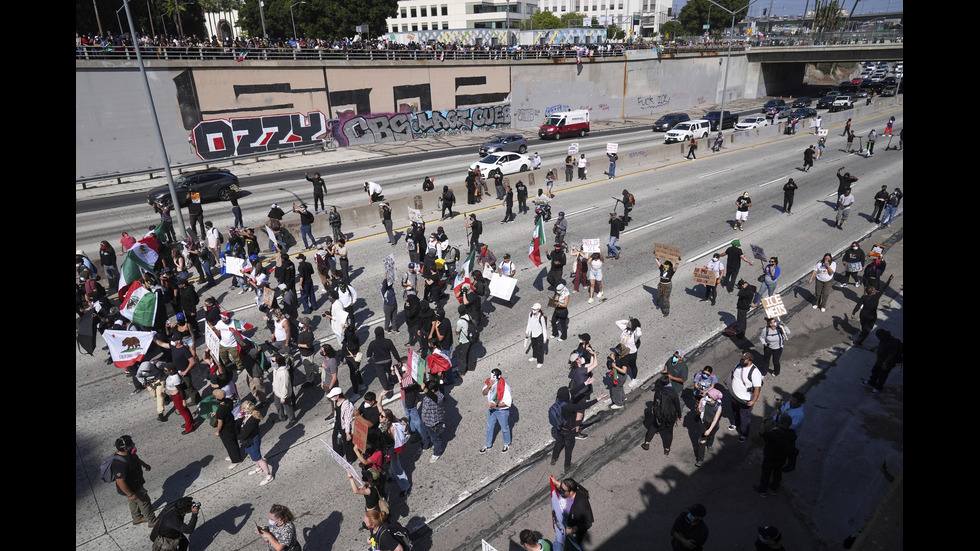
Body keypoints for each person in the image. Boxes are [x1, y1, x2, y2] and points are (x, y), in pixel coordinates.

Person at [550, 386, 605, 472]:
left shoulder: (558, 401)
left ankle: (554, 458)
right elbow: (582, 406)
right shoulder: (568, 407)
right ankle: (567, 466)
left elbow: (572, 392)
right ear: (566, 396)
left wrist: (585, 384)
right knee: (568, 449)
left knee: (559, 443)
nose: (570, 393)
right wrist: (598, 399)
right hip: (569, 431)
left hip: (560, 429)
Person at [110, 435, 158, 526]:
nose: (133, 445)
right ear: (125, 448)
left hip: (136, 483)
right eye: (131, 445)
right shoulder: (119, 464)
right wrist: (130, 494)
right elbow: (120, 481)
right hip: (132, 487)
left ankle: (137, 518)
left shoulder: (128, 454)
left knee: (133, 501)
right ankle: (152, 521)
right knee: (144, 501)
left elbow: (135, 459)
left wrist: (144, 464)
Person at [755, 415, 798, 497]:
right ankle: (774, 488)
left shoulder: (774, 433)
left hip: (770, 457)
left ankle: (763, 490)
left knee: (766, 474)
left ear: (780, 422)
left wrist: (763, 422)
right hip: (781, 459)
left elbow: (763, 434)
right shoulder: (792, 435)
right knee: (777, 473)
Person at [642, 374, 682, 454]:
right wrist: (679, 415)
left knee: (654, 426)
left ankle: (647, 443)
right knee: (669, 431)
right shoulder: (673, 393)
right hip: (670, 415)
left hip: (659, 414)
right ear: (669, 382)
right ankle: (667, 448)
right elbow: (677, 405)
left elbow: (655, 403)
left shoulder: (658, 392)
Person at [728, 352, 763, 442]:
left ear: (750, 361)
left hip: (745, 399)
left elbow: (757, 388)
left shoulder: (755, 372)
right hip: (735, 395)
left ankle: (744, 434)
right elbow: (732, 373)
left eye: (744, 359)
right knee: (735, 410)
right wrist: (728, 382)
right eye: (741, 358)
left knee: (744, 417)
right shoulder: (738, 365)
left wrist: (753, 400)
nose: (741, 360)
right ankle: (735, 424)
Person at [238, 400, 275, 485]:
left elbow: (244, 434)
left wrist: (235, 437)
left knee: (258, 458)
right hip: (250, 439)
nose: (241, 410)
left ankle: (268, 475)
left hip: (252, 440)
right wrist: (240, 419)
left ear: (246, 410)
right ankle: (258, 468)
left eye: (243, 409)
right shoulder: (249, 416)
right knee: (252, 455)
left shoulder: (252, 421)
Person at [851, 275, 894, 345]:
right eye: (874, 290)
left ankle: (861, 337)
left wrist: (853, 312)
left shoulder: (863, 297)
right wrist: (889, 280)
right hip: (871, 316)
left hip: (863, 314)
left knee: (864, 327)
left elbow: (858, 305)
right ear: (873, 292)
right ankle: (859, 341)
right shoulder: (876, 297)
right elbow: (884, 288)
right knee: (867, 330)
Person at [480, 368, 513, 453]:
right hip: (491, 410)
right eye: (491, 375)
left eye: (493, 376)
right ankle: (488, 445)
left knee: (504, 428)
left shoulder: (505, 387)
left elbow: (507, 403)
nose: (491, 378)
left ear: (498, 377)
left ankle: (506, 443)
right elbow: (484, 393)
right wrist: (488, 387)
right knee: (489, 427)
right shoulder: (489, 382)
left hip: (502, 411)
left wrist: (495, 405)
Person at [862, 329, 903, 395]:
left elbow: (892, 354)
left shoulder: (892, 343)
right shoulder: (883, 339)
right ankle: (872, 382)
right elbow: (881, 345)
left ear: (882, 335)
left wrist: (885, 362)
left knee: (883, 375)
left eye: (878, 336)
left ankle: (878, 388)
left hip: (888, 363)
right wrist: (875, 347)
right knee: (875, 371)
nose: (878, 338)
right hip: (880, 360)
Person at [559, 478, 593, 550]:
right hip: (567, 525)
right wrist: (554, 482)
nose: (561, 491)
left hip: (575, 533)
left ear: (571, 492)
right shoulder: (569, 492)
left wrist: (573, 530)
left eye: (563, 490)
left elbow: (588, 522)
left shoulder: (581, 503)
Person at [418, 377, 447, 463]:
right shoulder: (429, 394)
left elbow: (433, 397)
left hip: (434, 423)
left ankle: (437, 453)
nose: (424, 391)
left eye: (427, 389)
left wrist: (426, 389)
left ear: (433, 390)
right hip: (425, 420)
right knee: (424, 435)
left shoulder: (439, 396)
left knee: (435, 439)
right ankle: (425, 446)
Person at [694, 388, 723, 468]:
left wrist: (709, 430)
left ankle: (709, 444)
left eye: (709, 395)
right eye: (708, 395)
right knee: (702, 441)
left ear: (714, 398)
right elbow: (698, 409)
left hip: (712, 425)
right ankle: (700, 460)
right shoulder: (703, 400)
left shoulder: (718, 406)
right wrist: (699, 410)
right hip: (703, 423)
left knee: (711, 435)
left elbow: (715, 420)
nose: (707, 396)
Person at [327, 387, 356, 461]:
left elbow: (347, 420)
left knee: (347, 442)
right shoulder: (336, 401)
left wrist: (347, 433)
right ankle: (338, 453)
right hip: (337, 423)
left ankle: (350, 458)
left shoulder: (347, 405)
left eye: (333, 396)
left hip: (344, 426)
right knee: (335, 438)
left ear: (337, 396)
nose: (332, 398)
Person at [525, 303, 549, 368]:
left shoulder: (541, 317)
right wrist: (527, 332)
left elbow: (544, 328)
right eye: (533, 309)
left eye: (534, 309)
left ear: (538, 309)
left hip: (539, 335)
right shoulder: (530, 314)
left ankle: (540, 362)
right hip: (533, 334)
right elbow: (529, 324)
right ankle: (534, 356)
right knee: (534, 346)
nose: (533, 310)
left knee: (539, 349)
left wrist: (545, 338)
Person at [607, 343, 629, 409]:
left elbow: (624, 371)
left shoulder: (624, 359)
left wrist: (615, 366)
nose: (616, 352)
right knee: (620, 387)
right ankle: (623, 397)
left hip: (620, 376)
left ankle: (619, 404)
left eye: (617, 351)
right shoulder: (620, 354)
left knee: (616, 389)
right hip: (620, 375)